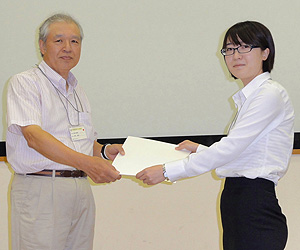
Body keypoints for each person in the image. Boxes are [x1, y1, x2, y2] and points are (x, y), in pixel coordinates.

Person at [136, 21, 294, 250]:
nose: (235, 55)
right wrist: (200, 149)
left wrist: (166, 172)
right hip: (238, 203)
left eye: (245, 47)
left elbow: (232, 148)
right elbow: (241, 154)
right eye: (229, 49)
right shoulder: (250, 98)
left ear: (265, 53)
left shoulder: (269, 94)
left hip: (255, 206)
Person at [6, 13, 124, 250]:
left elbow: (80, 140)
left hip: (80, 189)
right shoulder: (25, 82)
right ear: (42, 45)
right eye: (58, 41)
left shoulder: (77, 89)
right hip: (41, 189)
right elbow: (34, 137)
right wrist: (87, 163)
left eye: (75, 41)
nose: (68, 48)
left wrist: (103, 152)